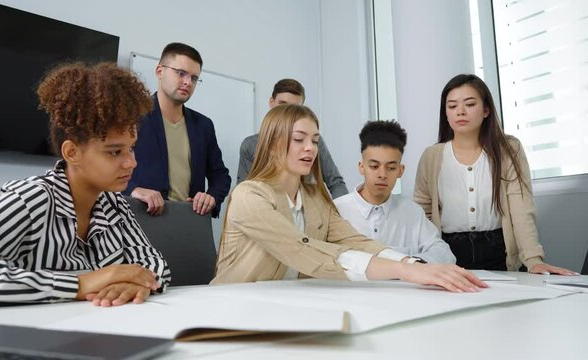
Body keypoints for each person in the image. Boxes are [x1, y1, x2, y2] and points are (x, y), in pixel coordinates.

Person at [0, 62, 171, 305]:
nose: (132, 163)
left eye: (132, 148)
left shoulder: (114, 204)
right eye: (115, 152)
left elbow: (153, 262)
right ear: (72, 153)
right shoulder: (29, 199)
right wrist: (82, 283)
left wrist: (136, 283)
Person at [212, 104, 487, 292]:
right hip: (233, 306)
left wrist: (410, 264)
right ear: (273, 145)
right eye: (299, 139)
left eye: (315, 140)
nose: (310, 148)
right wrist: (404, 271)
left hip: (289, 302)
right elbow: (302, 248)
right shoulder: (249, 195)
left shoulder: (315, 199)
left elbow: (355, 240)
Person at [414, 74, 576, 275]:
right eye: (452, 106)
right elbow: (421, 212)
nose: (460, 112)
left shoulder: (509, 149)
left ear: (486, 110)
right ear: (445, 113)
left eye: (470, 104)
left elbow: (521, 208)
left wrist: (534, 260)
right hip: (448, 254)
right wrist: (427, 258)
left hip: (499, 252)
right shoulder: (432, 156)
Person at [126, 42, 231, 217]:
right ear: (160, 71)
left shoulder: (204, 125)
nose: (188, 82)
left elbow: (220, 175)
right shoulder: (132, 117)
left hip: (189, 222)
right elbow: (104, 168)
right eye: (181, 73)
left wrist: (211, 196)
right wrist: (133, 190)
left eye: (194, 78)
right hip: (141, 219)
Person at [334, 120, 455, 264]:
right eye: (374, 166)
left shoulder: (412, 213)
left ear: (400, 170)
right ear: (361, 167)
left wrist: (411, 264)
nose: (382, 174)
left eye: (391, 168)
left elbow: (444, 253)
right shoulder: (337, 210)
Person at [237, 79, 348, 198]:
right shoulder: (251, 145)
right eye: (283, 105)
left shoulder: (313, 143)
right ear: (271, 102)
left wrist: (339, 214)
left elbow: (336, 184)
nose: (287, 113)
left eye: (294, 108)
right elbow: (243, 191)